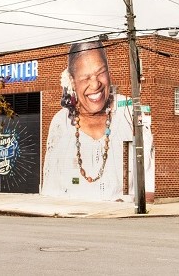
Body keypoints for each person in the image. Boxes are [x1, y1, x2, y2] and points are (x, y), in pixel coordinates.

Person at [42, 41, 154, 201]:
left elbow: (150, 186)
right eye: (85, 78)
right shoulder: (61, 123)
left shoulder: (130, 113)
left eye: (101, 72)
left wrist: (125, 204)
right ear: (73, 81)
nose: (95, 84)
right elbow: (50, 191)